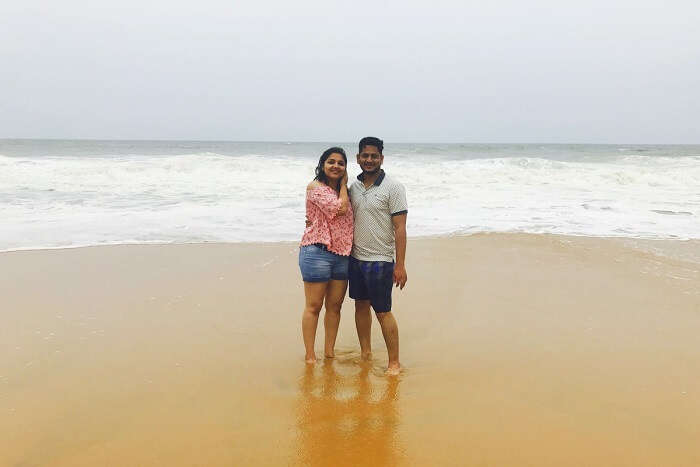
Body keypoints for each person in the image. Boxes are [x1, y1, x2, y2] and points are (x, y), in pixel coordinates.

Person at [348, 137, 408, 375]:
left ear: (381, 159)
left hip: (381, 260)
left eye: (374, 156)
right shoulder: (353, 187)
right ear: (358, 158)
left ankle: (394, 362)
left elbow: (400, 228)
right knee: (360, 306)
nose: (369, 160)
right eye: (365, 156)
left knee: (382, 311)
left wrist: (400, 265)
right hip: (356, 259)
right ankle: (366, 354)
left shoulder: (393, 187)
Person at [299, 147, 354, 364]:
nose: (336, 166)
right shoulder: (315, 187)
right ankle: (310, 355)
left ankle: (329, 352)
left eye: (341, 163)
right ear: (322, 164)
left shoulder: (346, 193)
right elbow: (338, 209)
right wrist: (343, 185)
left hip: (342, 255)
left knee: (335, 307)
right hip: (317, 253)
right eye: (331, 161)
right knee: (314, 306)